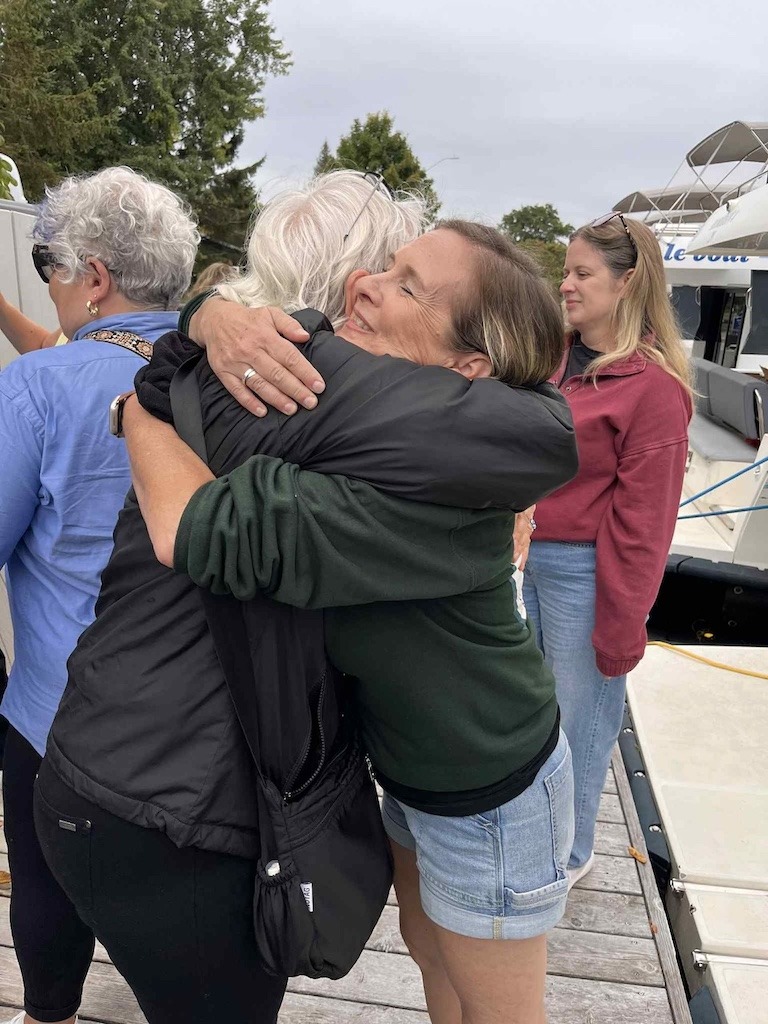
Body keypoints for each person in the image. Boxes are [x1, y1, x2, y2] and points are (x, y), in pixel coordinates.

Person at [39, 173, 577, 1024]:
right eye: (384, 266)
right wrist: (208, 320)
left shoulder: (410, 480)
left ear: (469, 368)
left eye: (406, 286)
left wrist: (142, 414)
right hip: (407, 773)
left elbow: (191, 527)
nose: (369, 287)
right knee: (437, 963)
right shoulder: (348, 427)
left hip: (488, 787)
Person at [0, 166, 199, 1024]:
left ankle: (50, 1014)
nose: (50, 285)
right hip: (200, 725)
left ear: (95, 276)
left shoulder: (37, 389)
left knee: (45, 893)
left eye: (53, 267)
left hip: (58, 720)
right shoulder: (236, 374)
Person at [523, 212, 693, 887]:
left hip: (582, 576)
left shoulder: (654, 391)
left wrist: (621, 629)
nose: (565, 284)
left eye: (582, 273)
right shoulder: (550, 359)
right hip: (524, 558)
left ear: (626, 283)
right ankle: (536, 831)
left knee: (581, 724)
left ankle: (571, 854)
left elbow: (644, 527)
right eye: (565, 271)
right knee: (528, 714)